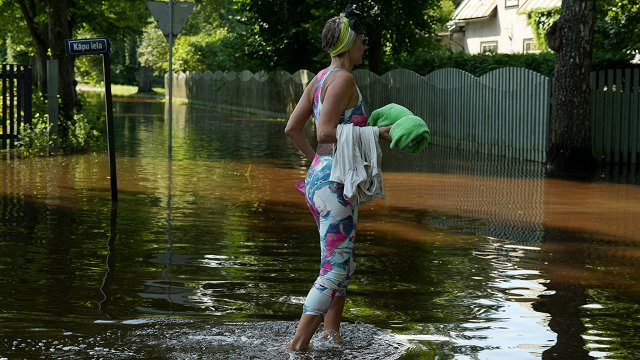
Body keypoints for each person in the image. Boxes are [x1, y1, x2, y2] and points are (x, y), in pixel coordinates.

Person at [284, 4, 392, 352]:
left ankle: (332, 338)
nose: (365, 46)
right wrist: (379, 133)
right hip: (334, 185)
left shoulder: (320, 78)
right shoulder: (343, 78)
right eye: (362, 40)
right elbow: (326, 132)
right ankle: (296, 346)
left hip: (321, 180)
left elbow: (292, 129)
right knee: (334, 269)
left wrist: (318, 164)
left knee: (341, 265)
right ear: (350, 43)